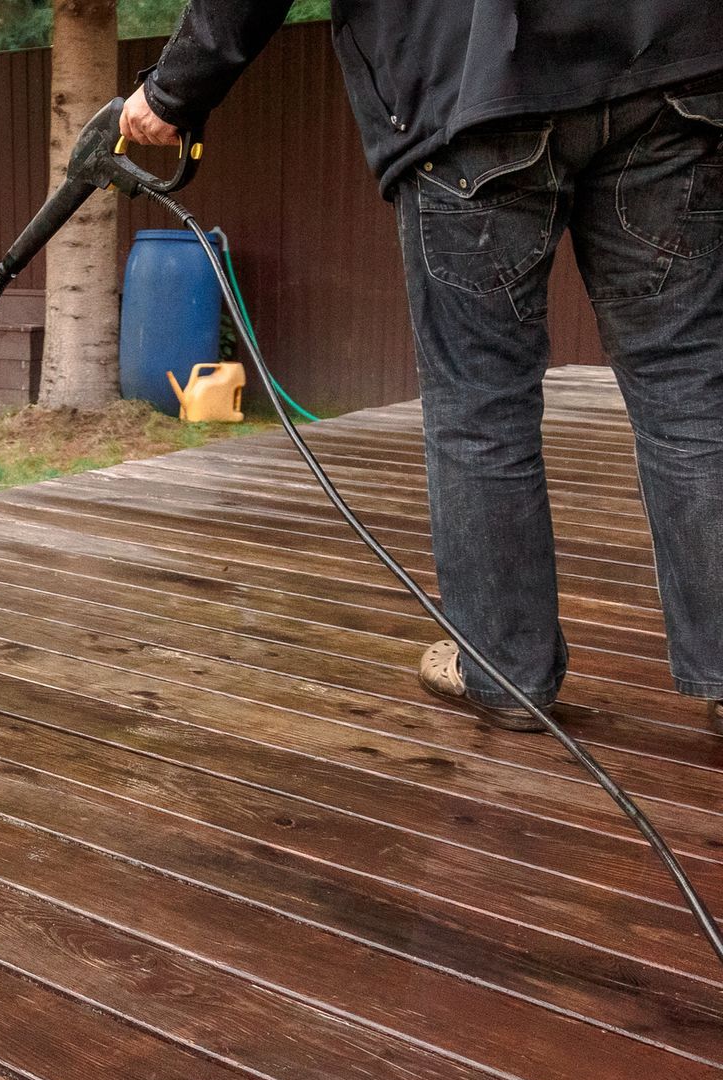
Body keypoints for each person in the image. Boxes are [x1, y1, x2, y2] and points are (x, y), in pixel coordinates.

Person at [121, 3, 723, 737]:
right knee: (689, 385)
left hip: (470, 90)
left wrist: (171, 93)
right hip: (668, 71)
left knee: (481, 402)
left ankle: (505, 675)